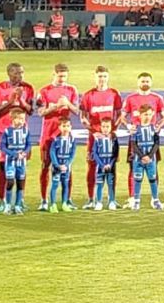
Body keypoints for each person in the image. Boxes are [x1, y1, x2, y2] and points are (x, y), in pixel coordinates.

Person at [35, 63, 80, 212]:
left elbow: (77, 111)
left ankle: (67, 199)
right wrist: (55, 106)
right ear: (53, 74)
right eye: (60, 76)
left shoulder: (71, 90)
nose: (62, 79)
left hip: (65, 135)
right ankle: (43, 200)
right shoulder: (44, 91)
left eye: (65, 76)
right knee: (45, 166)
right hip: (48, 134)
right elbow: (40, 112)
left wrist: (67, 104)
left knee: (68, 167)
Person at [80, 66, 122, 210]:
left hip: (110, 138)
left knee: (112, 166)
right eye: (99, 76)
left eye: (104, 76)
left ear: (108, 77)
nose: (102, 79)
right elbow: (83, 117)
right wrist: (93, 131)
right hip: (94, 138)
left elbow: (119, 115)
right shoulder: (88, 95)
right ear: (95, 77)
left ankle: (112, 199)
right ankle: (92, 199)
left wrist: (113, 131)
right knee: (92, 166)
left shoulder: (114, 94)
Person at [129, 105, 164, 211]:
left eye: (149, 114)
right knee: (138, 180)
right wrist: (142, 156)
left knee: (153, 179)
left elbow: (157, 144)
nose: (147, 117)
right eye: (145, 114)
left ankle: (155, 200)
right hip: (138, 160)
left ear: (152, 114)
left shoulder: (154, 128)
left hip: (151, 159)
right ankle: (136, 201)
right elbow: (134, 145)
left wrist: (149, 156)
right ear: (139, 115)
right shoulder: (135, 129)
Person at [0, 108, 31, 215]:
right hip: (10, 161)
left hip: (21, 162)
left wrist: (24, 153)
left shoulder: (25, 131)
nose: (22, 121)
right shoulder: (7, 131)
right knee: (10, 182)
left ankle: (17, 206)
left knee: (20, 183)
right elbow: (2, 147)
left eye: (23, 119)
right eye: (20, 119)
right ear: (13, 119)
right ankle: (8, 205)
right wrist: (14, 154)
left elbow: (29, 144)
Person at [47, 119, 78, 212]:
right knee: (55, 184)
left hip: (66, 167)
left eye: (68, 126)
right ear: (59, 127)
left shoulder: (72, 140)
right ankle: (53, 205)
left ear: (71, 127)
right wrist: (56, 164)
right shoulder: (56, 140)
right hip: (57, 167)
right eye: (64, 126)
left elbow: (73, 153)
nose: (66, 128)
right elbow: (52, 152)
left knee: (65, 184)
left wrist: (67, 163)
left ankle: (64, 203)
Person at [90, 118, 118, 210]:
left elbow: (115, 154)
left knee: (111, 184)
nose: (105, 129)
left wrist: (110, 164)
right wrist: (102, 165)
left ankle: (112, 201)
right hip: (100, 167)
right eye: (103, 127)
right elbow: (95, 153)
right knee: (100, 184)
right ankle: (99, 202)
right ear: (100, 127)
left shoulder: (114, 139)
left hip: (111, 166)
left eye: (107, 126)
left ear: (111, 127)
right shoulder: (97, 139)